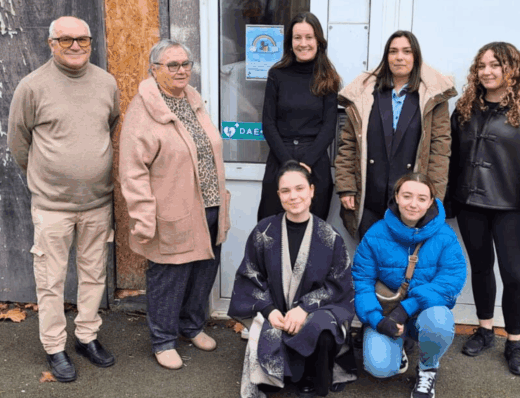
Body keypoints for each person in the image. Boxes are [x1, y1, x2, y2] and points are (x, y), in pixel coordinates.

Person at [6, 16, 120, 382]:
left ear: (91, 43)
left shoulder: (106, 83)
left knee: (93, 276)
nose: (75, 46)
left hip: (97, 203)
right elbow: (18, 142)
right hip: (52, 207)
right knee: (50, 280)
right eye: (66, 39)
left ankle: (87, 337)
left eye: (83, 40)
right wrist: (47, 177)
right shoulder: (32, 86)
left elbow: (111, 126)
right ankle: (54, 346)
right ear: (51, 43)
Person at [119, 39, 230, 370]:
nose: (182, 70)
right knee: (170, 275)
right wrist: (143, 216)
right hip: (172, 209)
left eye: (186, 64)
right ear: (154, 69)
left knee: (203, 269)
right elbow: (132, 170)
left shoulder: (192, 99)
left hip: (210, 206)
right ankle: (163, 339)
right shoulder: (145, 110)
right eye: (173, 65)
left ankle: (191, 326)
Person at [447, 41, 520, 376]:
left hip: (511, 209)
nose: (487, 71)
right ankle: (485, 330)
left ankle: (515, 341)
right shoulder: (465, 108)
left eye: (495, 65)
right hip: (471, 206)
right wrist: (448, 203)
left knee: (513, 276)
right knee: (480, 268)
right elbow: (451, 159)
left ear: (512, 70)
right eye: (482, 65)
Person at [230, 161, 357, 397]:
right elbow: (250, 275)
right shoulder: (264, 231)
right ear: (278, 195)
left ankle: (313, 378)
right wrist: (268, 310)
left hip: (314, 313)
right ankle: (286, 373)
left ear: (311, 190)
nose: (293, 196)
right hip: (277, 313)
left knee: (323, 328)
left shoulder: (330, 237)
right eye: (286, 191)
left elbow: (339, 285)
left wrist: (305, 309)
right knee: (269, 383)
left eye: (300, 188)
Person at [352, 172, 466, 398]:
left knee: (440, 321)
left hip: (424, 312)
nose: (413, 204)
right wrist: (378, 320)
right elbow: (362, 282)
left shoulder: (445, 235)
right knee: (380, 368)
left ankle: (427, 368)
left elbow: (450, 281)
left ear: (431, 202)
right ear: (396, 197)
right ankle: (399, 346)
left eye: (422, 198)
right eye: (407, 196)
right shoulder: (376, 233)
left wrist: (406, 308)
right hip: (387, 313)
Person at [334, 30, 456, 240]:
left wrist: (433, 197)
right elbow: (348, 144)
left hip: (411, 200)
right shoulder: (366, 95)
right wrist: (346, 187)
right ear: (386, 57)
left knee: (405, 263)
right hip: (369, 196)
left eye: (406, 51)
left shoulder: (431, 98)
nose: (399, 57)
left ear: (415, 57)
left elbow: (440, 151)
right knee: (369, 259)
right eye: (393, 51)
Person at [256, 13, 342, 222]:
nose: (303, 43)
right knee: (271, 229)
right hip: (280, 159)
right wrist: (289, 164)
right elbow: (268, 123)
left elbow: (329, 127)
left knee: (313, 232)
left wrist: (305, 164)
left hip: (315, 162)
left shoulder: (328, 77)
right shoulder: (277, 74)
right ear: (290, 42)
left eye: (309, 37)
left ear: (318, 41)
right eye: (297, 38)